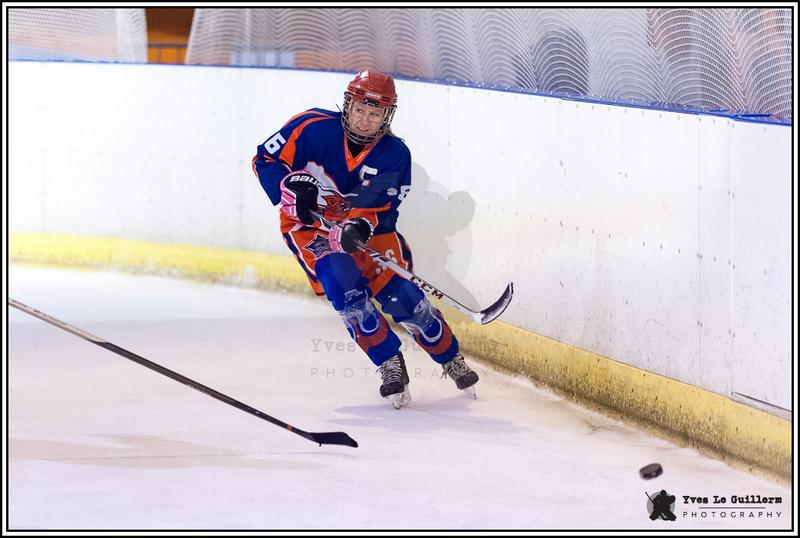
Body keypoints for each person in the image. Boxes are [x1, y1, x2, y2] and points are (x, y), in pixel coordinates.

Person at [252, 70, 479, 408]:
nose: (364, 120)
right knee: (347, 295)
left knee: (403, 298)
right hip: (311, 230)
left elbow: (382, 206)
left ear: (387, 117)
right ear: (347, 105)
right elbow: (265, 159)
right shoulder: (311, 127)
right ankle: (389, 364)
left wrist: (357, 226)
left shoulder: (394, 153)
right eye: (359, 109)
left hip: (367, 229)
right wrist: (289, 187)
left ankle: (450, 357)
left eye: (374, 114)